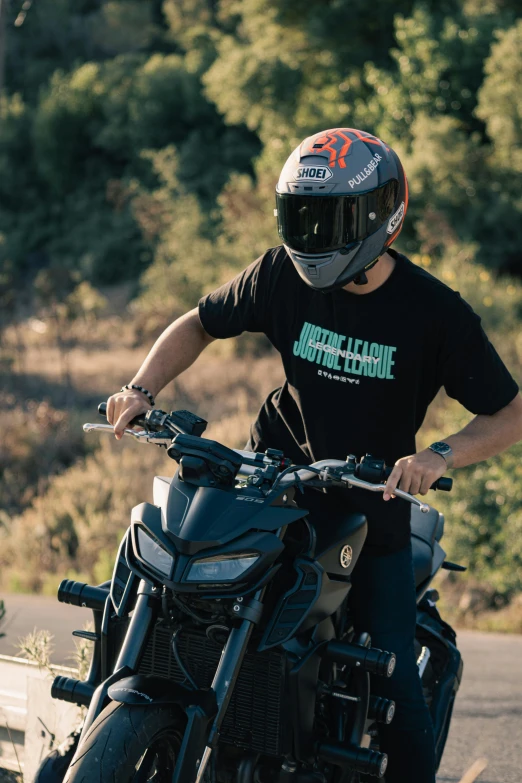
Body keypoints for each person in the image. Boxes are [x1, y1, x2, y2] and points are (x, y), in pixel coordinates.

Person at [107, 128, 522, 782]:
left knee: (395, 680)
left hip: (369, 507)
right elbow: (199, 321)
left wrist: (440, 454)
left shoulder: (433, 313)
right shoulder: (279, 273)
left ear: (379, 216)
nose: (312, 232)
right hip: (267, 487)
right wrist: (140, 386)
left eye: (330, 217)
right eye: (302, 214)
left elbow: (509, 411)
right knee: (158, 578)